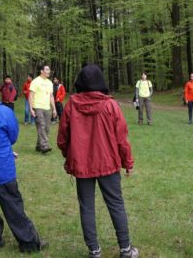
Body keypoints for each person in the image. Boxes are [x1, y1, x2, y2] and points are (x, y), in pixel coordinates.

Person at [57, 64, 139, 258]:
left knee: (88, 206)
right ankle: (124, 249)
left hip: (97, 164)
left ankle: (97, 251)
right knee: (115, 204)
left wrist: (70, 156)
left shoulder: (80, 104)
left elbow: (62, 139)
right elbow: (122, 139)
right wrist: (127, 163)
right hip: (104, 163)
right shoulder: (104, 105)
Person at [0, 75, 47, 253]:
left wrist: (2, 149)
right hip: (0, 168)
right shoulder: (2, 112)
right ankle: (28, 242)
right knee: (12, 205)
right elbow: (12, 136)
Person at [29, 65, 57, 153]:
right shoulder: (35, 81)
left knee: (47, 128)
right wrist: (31, 109)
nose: (49, 71)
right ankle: (44, 146)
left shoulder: (50, 82)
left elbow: (51, 96)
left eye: (49, 69)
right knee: (41, 126)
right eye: (47, 69)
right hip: (38, 107)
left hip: (47, 108)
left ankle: (38, 146)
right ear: (41, 71)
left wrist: (54, 109)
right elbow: (31, 95)